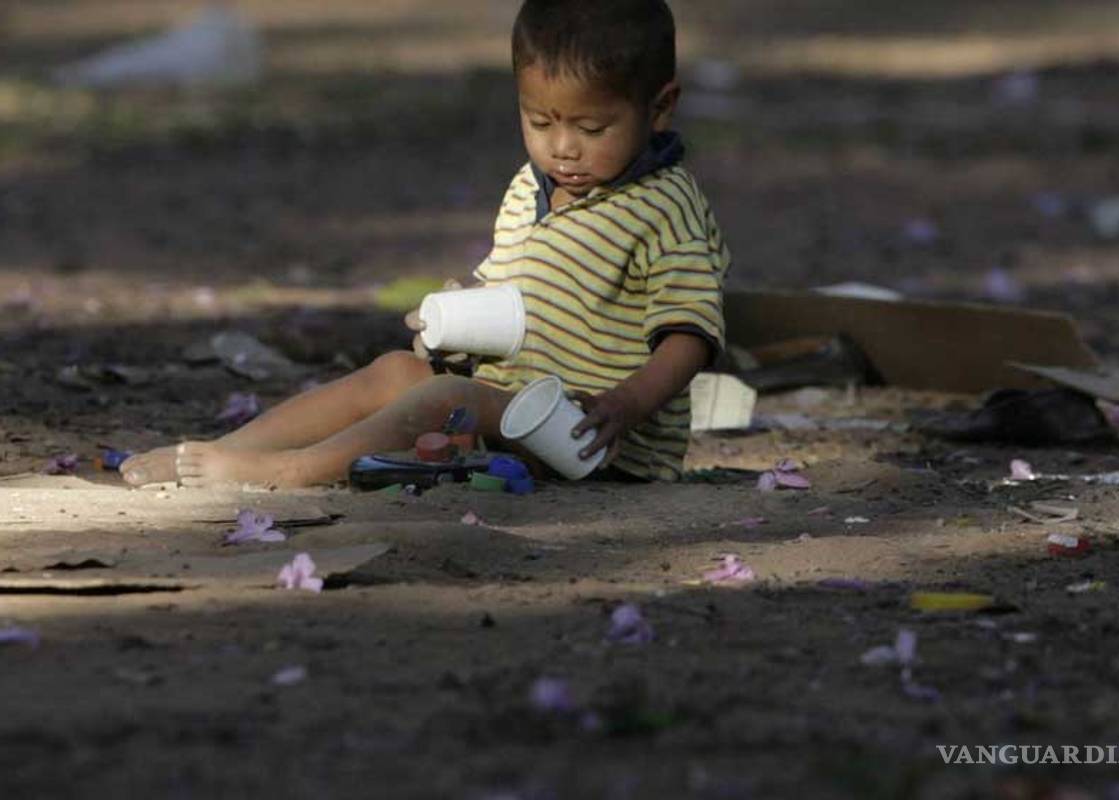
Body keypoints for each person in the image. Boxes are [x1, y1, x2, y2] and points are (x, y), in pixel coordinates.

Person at [121, 0, 730, 490]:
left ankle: (293, 472)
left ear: (659, 108)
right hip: (508, 405)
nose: (563, 148)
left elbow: (690, 334)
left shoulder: (664, 207)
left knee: (446, 396)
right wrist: (458, 327)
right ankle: (220, 450)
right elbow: (516, 304)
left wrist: (624, 404)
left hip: (592, 440)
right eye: (540, 122)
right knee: (396, 372)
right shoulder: (530, 186)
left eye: (592, 128)